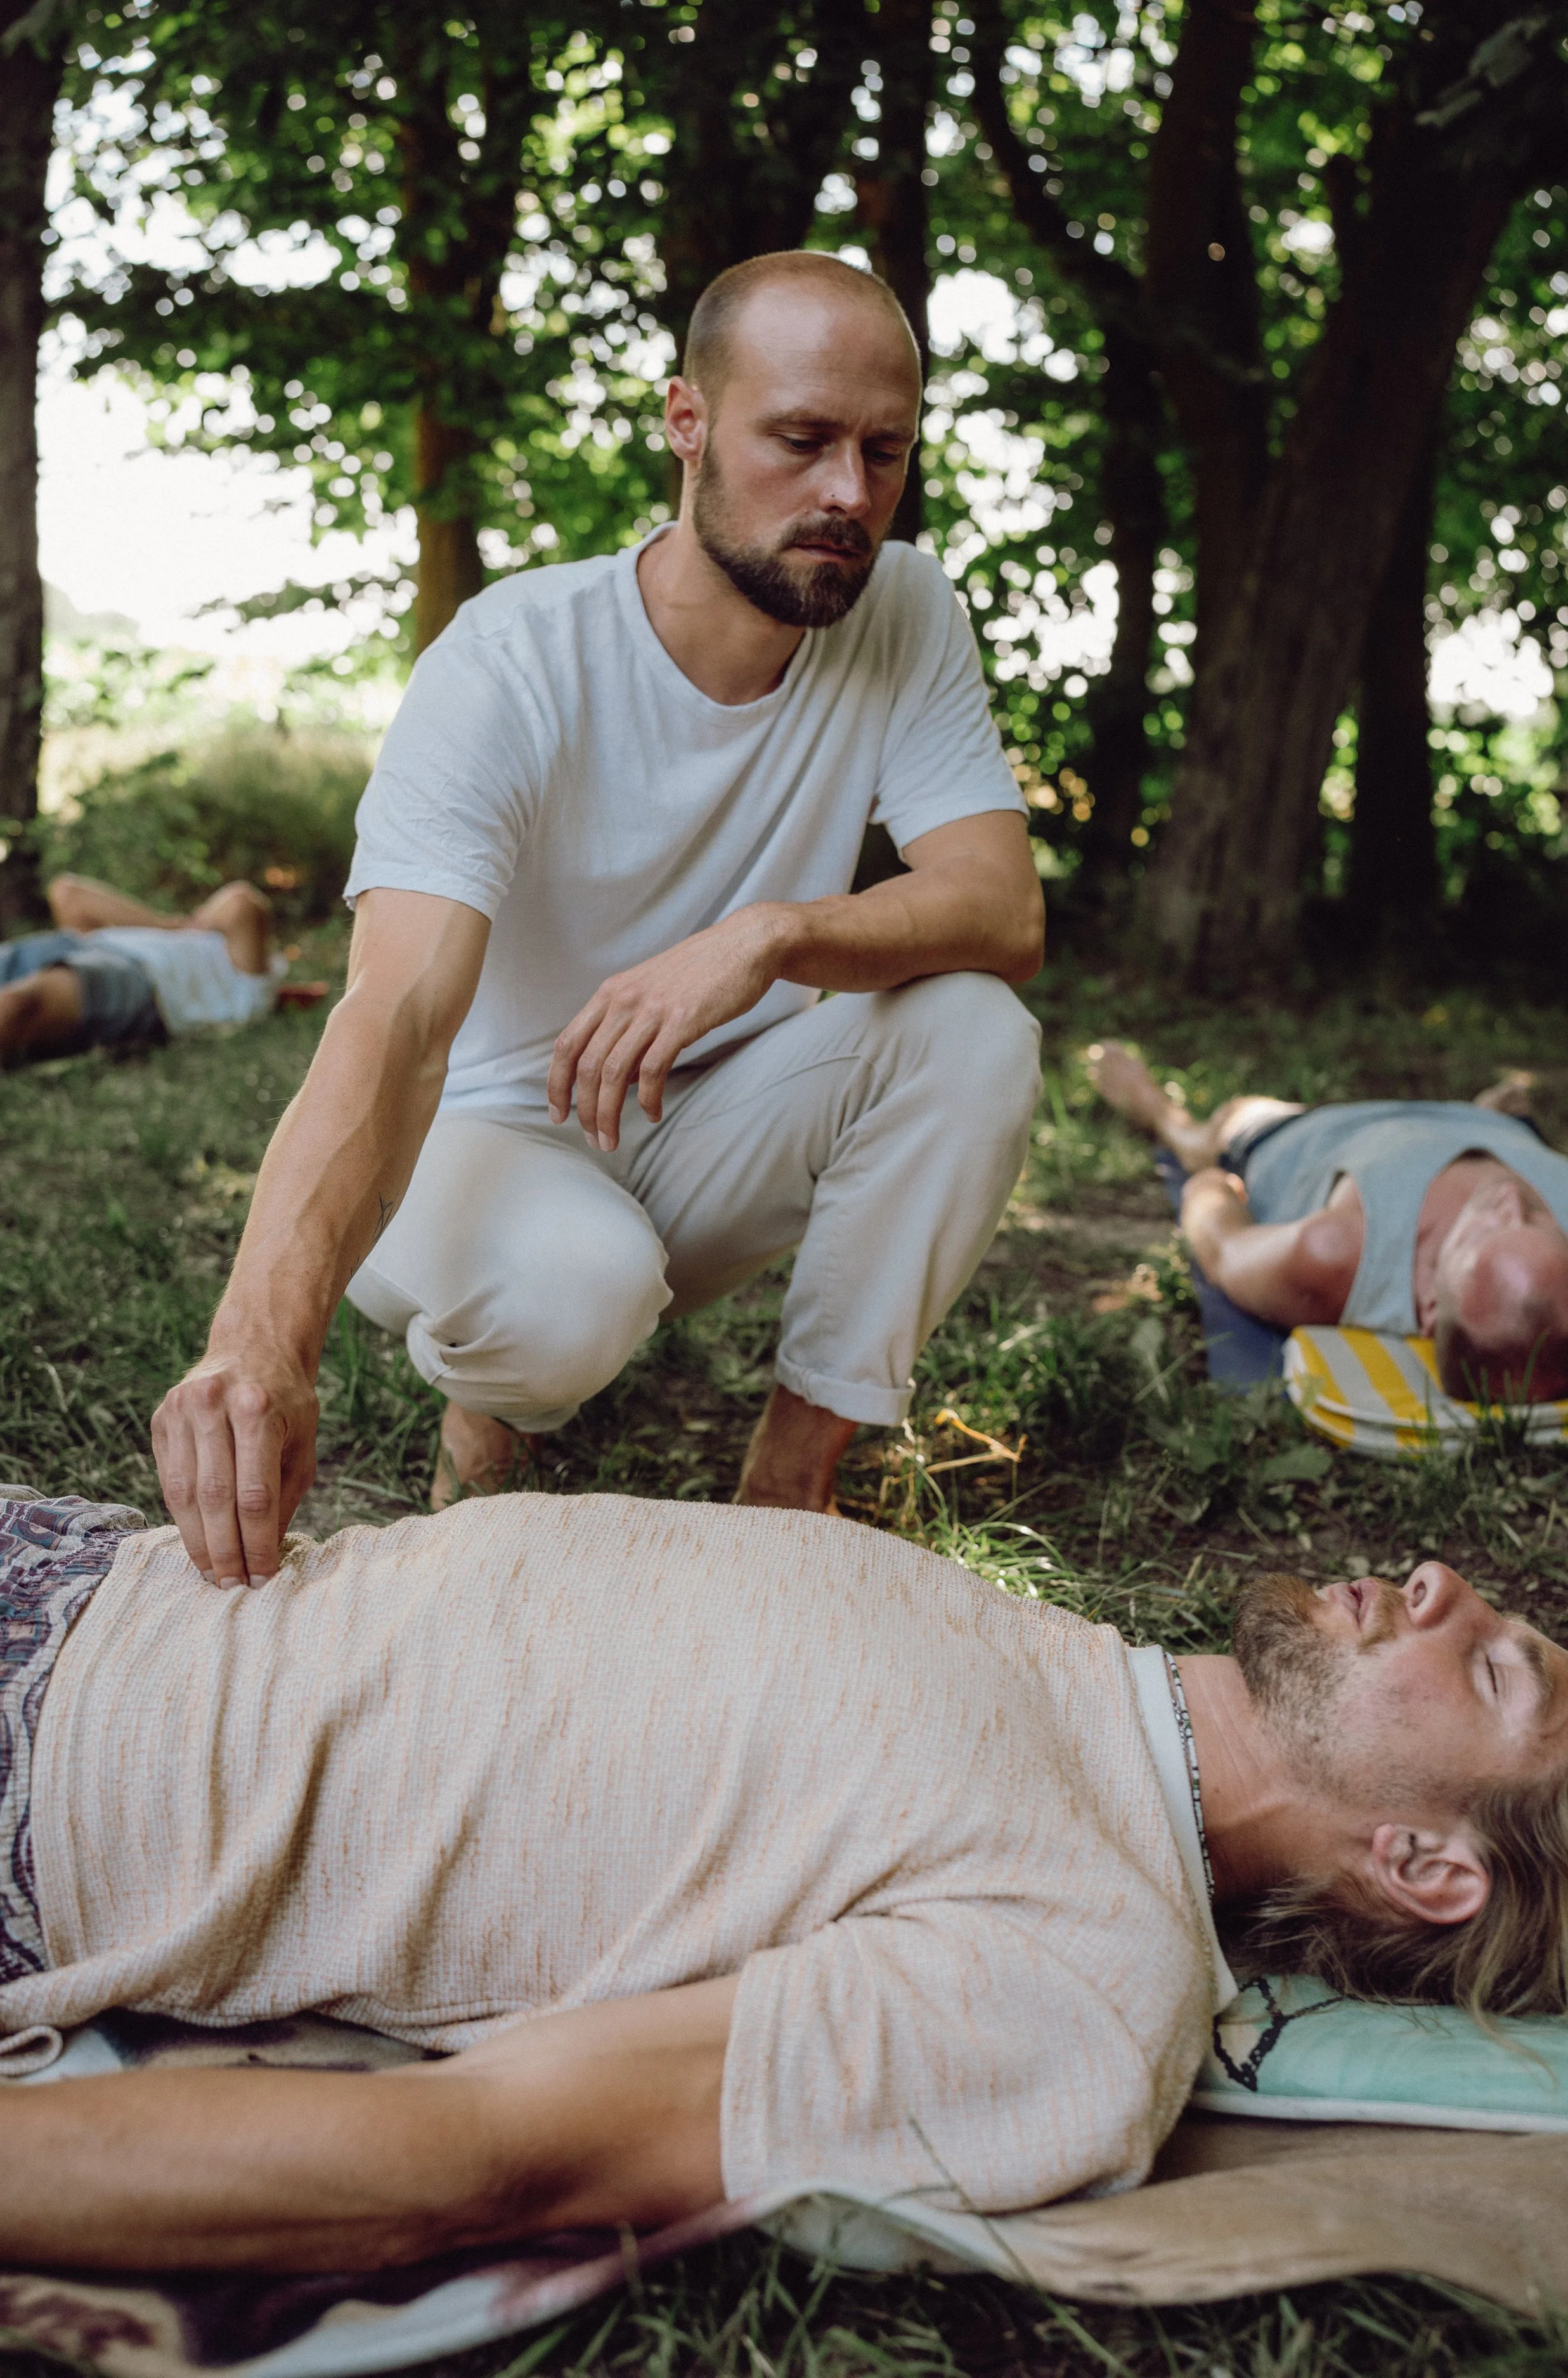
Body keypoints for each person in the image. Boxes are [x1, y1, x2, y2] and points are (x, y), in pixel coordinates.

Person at [0, 1485, 1568, 2275]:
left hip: (55, 1763)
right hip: (105, 1562)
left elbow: (477, 2150)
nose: (1444, 1586)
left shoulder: (1087, 1969)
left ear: (1428, 1862)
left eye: (1495, 1666)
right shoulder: (1060, 1659)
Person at [149, 249, 1047, 1586]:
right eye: (799, 441)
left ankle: (787, 1496)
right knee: (576, 1292)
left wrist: (766, 937)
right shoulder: (510, 664)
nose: (847, 495)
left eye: (883, 449)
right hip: (484, 1136)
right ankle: (487, 1416)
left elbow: (997, 910)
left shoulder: (902, 612)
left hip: (711, 1117)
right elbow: (393, 1019)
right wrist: (258, 1341)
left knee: (975, 1030)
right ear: (685, 421)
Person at [1089, 1046, 1568, 1403]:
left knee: (1223, 1125)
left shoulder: (1336, 1255)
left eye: (1492, 1229)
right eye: (1540, 1221)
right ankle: (1483, 1112)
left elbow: (1219, 1241)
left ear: (1431, 1305)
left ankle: (1156, 1107)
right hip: (1497, 1129)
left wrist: (1214, 1187)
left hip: (1314, 1131)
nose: (1510, 1198)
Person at [0, 874, 324, 1062]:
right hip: (88, 945)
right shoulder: (235, 964)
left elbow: (242, 902)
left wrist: (186, 926)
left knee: (17, 1006)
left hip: (142, 980)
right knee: (66, 890)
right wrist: (165, 925)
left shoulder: (252, 990)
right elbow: (69, 895)